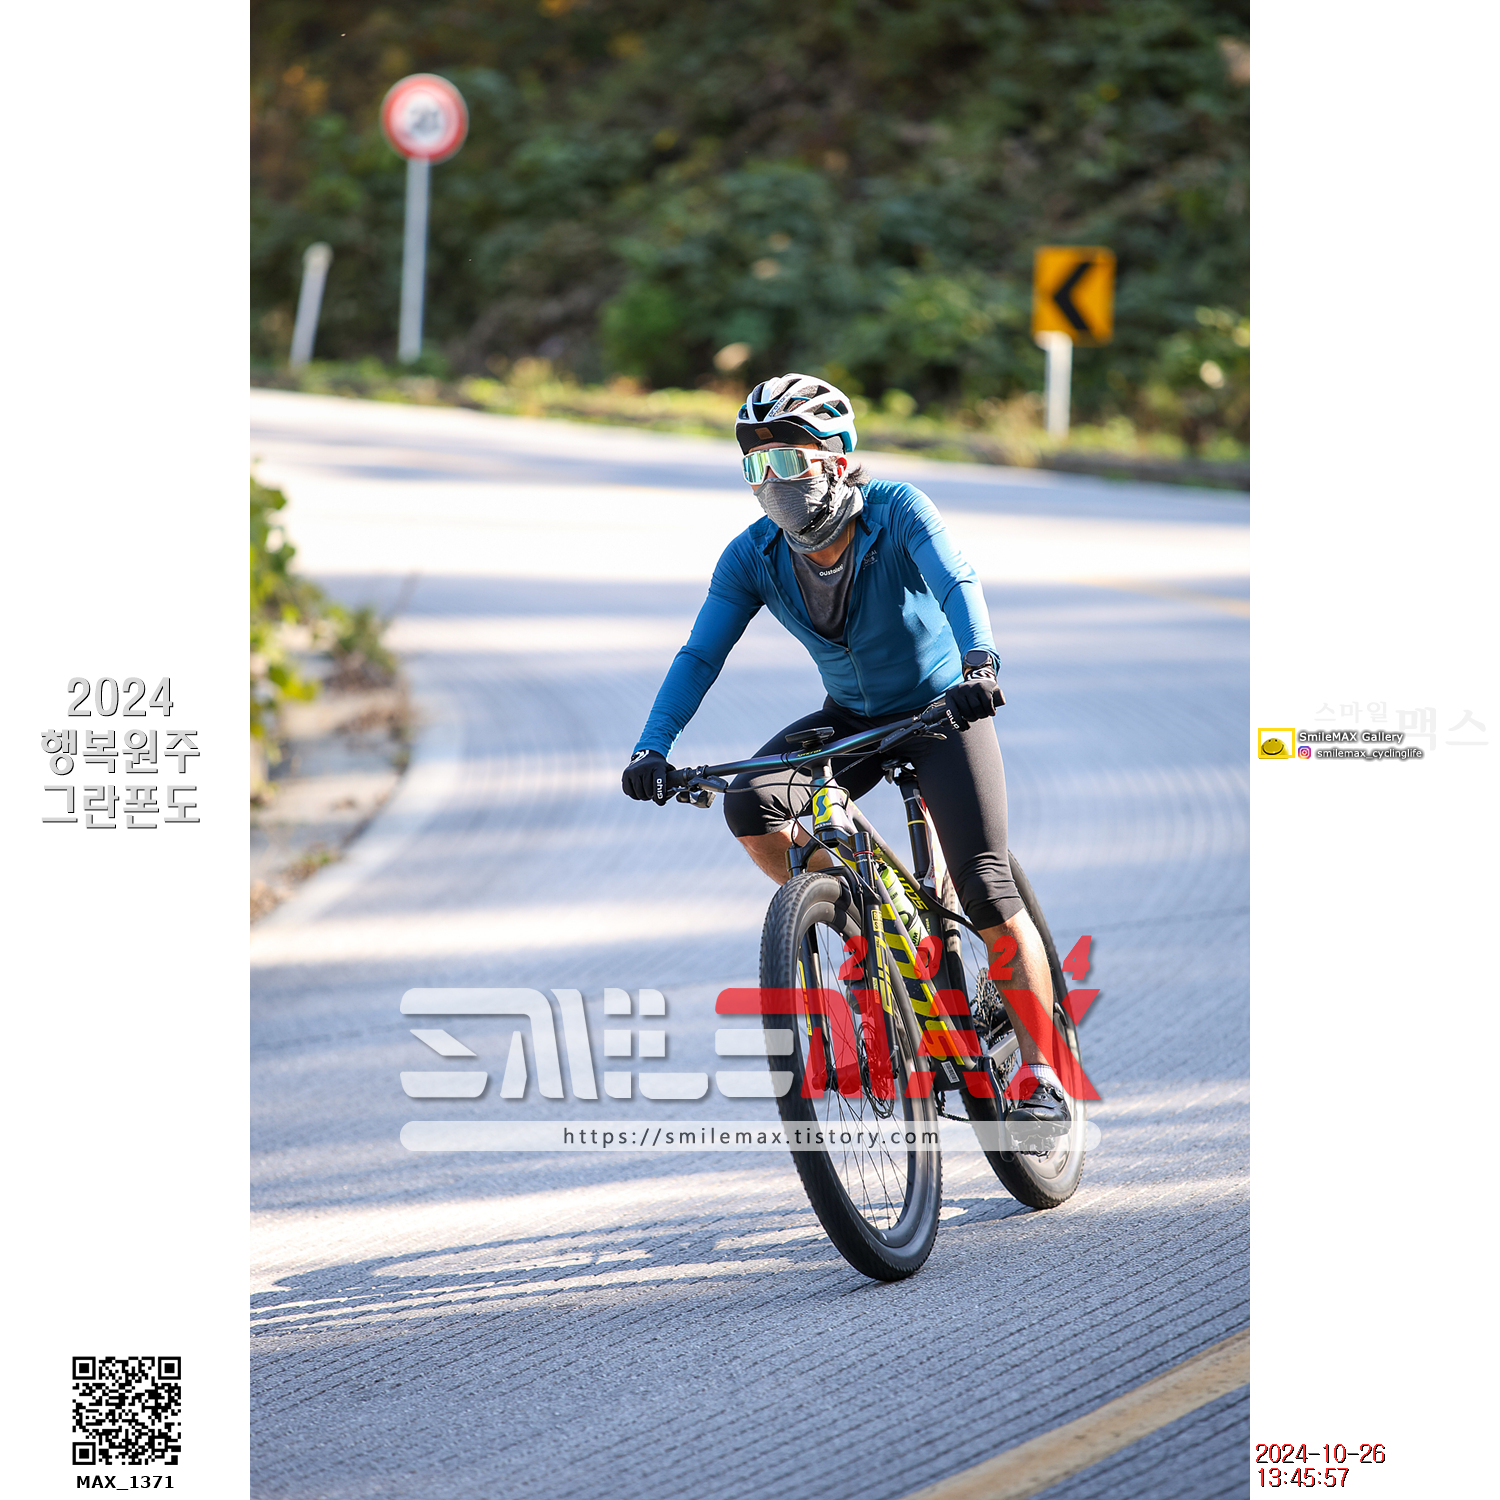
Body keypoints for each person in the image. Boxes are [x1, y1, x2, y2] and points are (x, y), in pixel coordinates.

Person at [621, 373, 1069, 1127]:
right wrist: (651, 748)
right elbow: (700, 655)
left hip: (943, 713)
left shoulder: (896, 511)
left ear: (836, 459)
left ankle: (1041, 1076)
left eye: (788, 460)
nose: (772, 481)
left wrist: (979, 666)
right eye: (756, 466)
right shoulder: (753, 555)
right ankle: (866, 935)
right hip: (850, 718)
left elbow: (956, 581)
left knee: (987, 887)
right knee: (752, 804)